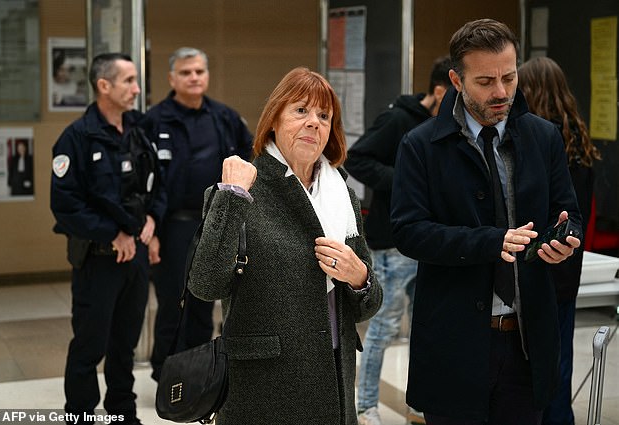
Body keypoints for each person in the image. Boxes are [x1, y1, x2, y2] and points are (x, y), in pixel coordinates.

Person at [390, 19, 582, 425]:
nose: (501, 92)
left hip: (526, 345)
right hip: (454, 344)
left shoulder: (543, 137)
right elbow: (408, 231)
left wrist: (565, 239)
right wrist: (491, 241)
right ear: (457, 81)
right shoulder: (421, 145)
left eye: (509, 77)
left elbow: (569, 213)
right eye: (486, 81)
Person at [187, 66, 383, 424]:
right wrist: (231, 196)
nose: (314, 123)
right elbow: (205, 285)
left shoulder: (343, 196)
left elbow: (368, 306)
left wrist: (360, 278)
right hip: (264, 388)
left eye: (324, 116)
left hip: (335, 383)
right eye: (301, 111)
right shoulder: (242, 188)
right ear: (274, 119)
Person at [50, 53, 166, 425]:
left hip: (134, 257)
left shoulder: (139, 129)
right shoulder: (76, 138)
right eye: (129, 81)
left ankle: (122, 412)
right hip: (98, 259)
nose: (136, 89)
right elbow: (66, 206)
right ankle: (80, 415)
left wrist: (151, 219)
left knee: (125, 345)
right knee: (89, 346)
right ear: (104, 86)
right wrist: (113, 233)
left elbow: (158, 183)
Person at [345, 55, 452, 425]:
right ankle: (366, 404)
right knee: (384, 327)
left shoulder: (446, 125)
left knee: (426, 323)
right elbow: (356, 158)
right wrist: (406, 180)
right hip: (392, 242)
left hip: (428, 241)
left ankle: (419, 402)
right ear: (440, 90)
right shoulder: (397, 119)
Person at [143, 47, 253, 382]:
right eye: (186, 72)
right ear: (172, 78)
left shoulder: (225, 117)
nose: (194, 78)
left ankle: (200, 371)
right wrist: (152, 232)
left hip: (214, 222)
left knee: (206, 298)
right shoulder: (153, 120)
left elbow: (250, 161)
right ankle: (166, 373)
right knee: (173, 301)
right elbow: (144, 181)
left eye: (199, 72)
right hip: (172, 226)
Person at [518, 56, 601, 425]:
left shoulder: (538, 142)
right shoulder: (579, 141)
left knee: (537, 377)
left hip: (540, 268)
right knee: (559, 372)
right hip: (568, 272)